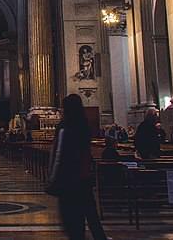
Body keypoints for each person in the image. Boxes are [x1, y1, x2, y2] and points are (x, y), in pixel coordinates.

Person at [47, 94, 109, 240]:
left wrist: (52, 179)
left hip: (68, 181)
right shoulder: (84, 125)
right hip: (84, 179)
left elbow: (58, 156)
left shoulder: (65, 127)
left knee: (72, 223)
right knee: (92, 219)